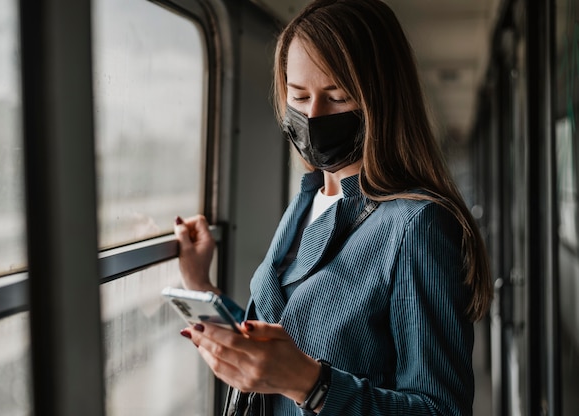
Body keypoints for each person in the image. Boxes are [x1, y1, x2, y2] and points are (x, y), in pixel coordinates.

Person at [173, 0, 493, 414]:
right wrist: (201, 285)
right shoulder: (306, 203)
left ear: (380, 101)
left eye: (338, 97)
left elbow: (440, 409)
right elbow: (284, 334)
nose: (313, 115)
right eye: (299, 96)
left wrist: (312, 385)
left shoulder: (418, 226)